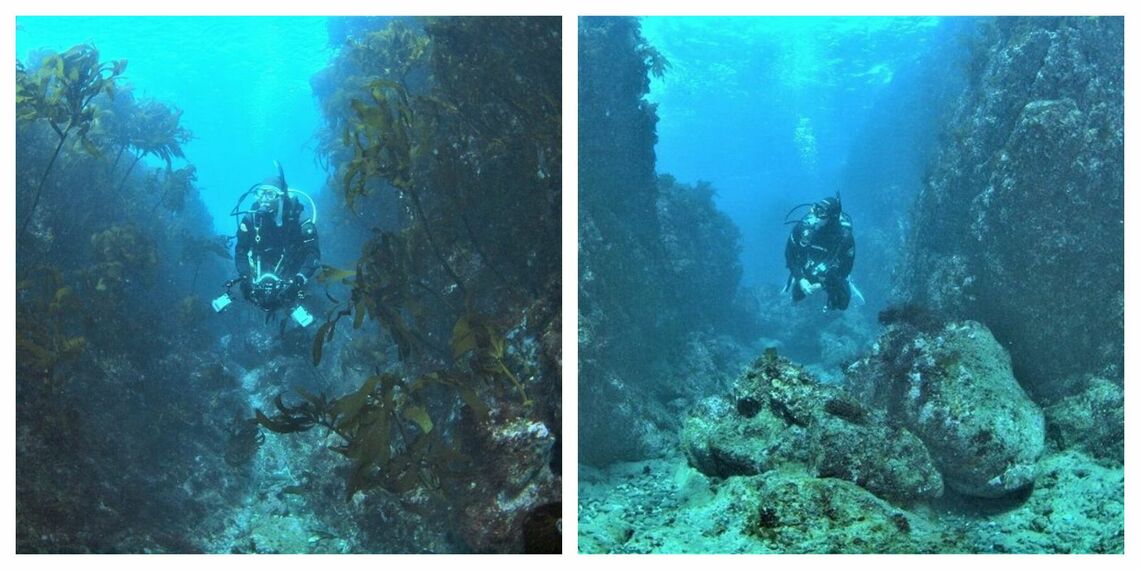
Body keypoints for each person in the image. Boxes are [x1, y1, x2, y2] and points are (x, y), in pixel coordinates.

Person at [212, 163, 319, 326]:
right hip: (259, 272)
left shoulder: (300, 219)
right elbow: (241, 250)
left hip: (292, 273)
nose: (263, 199)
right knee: (247, 294)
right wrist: (245, 277)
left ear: (281, 196)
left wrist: (298, 280)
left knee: (307, 307)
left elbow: (313, 254)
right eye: (260, 194)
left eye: (270, 194)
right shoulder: (251, 219)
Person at [783, 193, 855, 311]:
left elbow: (847, 266)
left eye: (821, 213)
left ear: (832, 217)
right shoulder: (803, 228)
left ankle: (849, 284)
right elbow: (789, 254)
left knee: (841, 304)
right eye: (815, 209)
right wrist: (800, 278)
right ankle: (796, 286)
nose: (815, 216)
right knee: (797, 296)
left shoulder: (844, 237)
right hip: (808, 268)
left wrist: (823, 284)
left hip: (830, 272)